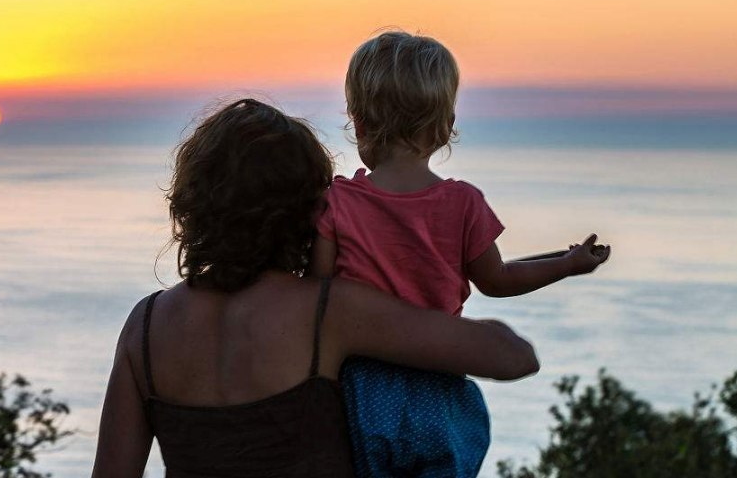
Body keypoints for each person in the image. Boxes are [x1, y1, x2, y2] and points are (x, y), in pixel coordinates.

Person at [91, 98, 539, 478]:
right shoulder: (328, 312)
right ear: (308, 207)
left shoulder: (144, 327)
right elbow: (513, 357)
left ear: (193, 201)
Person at [311, 31, 611, 477]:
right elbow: (497, 279)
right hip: (440, 386)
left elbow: (316, 297)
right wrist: (566, 265)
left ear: (358, 123)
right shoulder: (463, 204)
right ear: (446, 126)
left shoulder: (338, 202)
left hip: (360, 393)